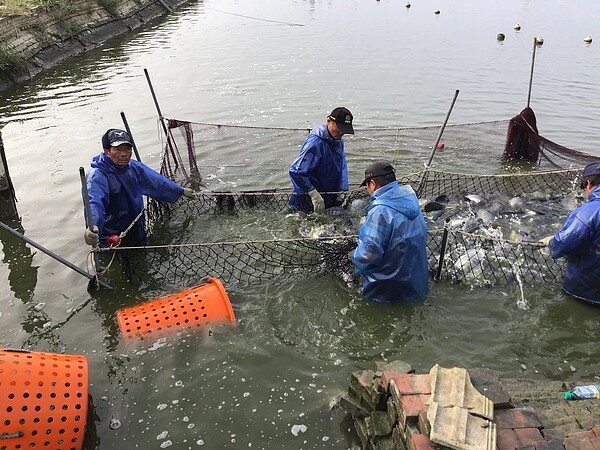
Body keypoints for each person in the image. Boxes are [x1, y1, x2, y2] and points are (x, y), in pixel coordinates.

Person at [83, 128, 195, 248]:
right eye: (117, 149)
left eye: (127, 149)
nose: (124, 154)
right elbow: (94, 202)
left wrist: (179, 190)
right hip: (111, 239)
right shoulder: (97, 175)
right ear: (107, 151)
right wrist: (93, 225)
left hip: (136, 228)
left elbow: (156, 181)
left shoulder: (132, 166)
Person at [351, 161, 429, 303]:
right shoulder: (412, 200)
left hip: (388, 293)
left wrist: (352, 258)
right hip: (417, 286)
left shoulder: (380, 211)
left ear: (373, 184)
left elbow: (368, 256)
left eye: (367, 186)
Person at [541, 161, 600, 305]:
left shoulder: (588, 212)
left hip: (587, 293)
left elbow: (564, 244)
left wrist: (551, 241)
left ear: (588, 184)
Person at [289, 107, 354, 213]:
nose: (341, 133)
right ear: (329, 121)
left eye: (344, 130)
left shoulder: (338, 141)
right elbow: (296, 171)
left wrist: (342, 190)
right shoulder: (316, 142)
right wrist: (313, 194)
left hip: (328, 194)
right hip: (307, 197)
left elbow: (341, 166)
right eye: (339, 129)